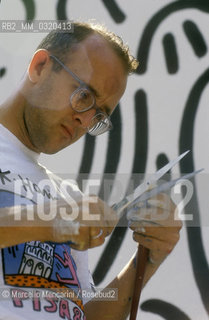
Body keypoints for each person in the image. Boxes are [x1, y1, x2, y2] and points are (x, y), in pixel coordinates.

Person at [0, 22, 182, 320]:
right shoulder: (65, 208)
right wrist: (52, 221)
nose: (85, 122)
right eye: (84, 95)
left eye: (99, 115)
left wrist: (147, 259)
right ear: (40, 66)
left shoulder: (66, 196)